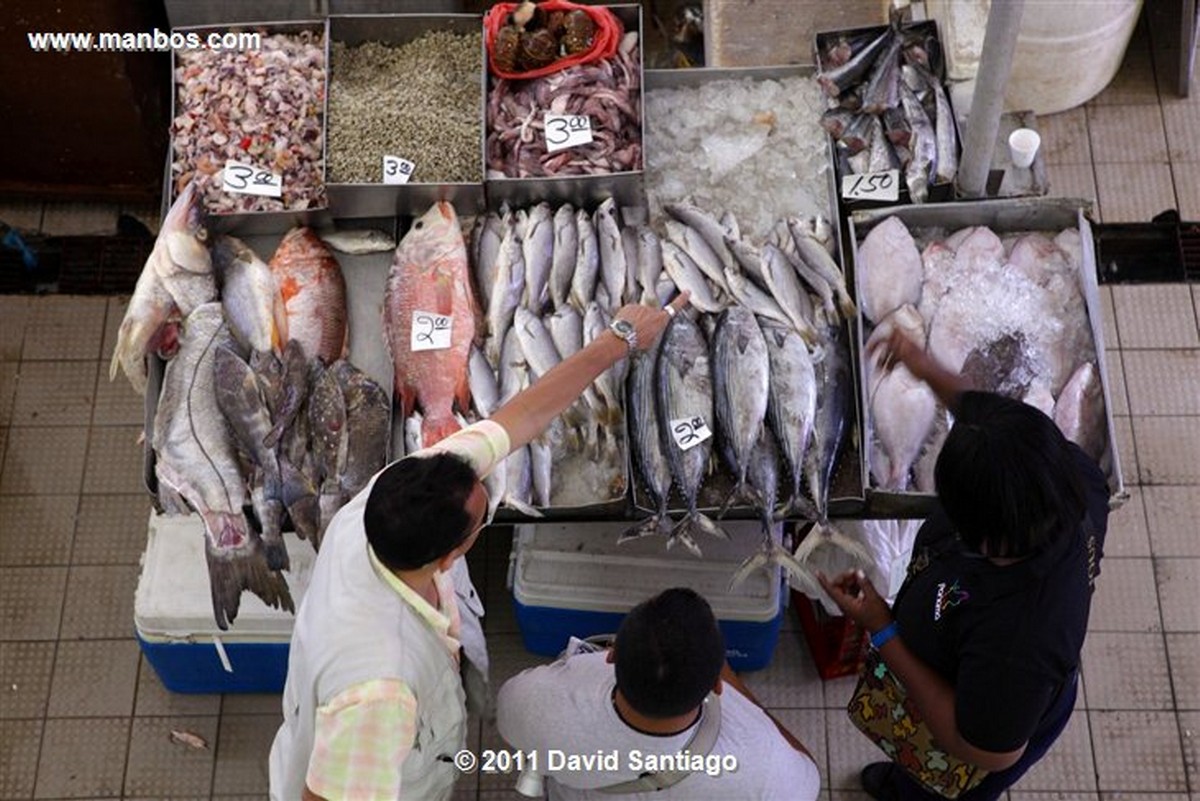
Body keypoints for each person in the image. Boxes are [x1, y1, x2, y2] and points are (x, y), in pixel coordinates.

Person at [268, 293, 691, 801]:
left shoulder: (390, 497)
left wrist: (619, 339)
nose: (486, 491)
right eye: (480, 519)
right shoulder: (381, 688)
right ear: (449, 556)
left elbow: (524, 415)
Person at [818, 329, 1111, 801]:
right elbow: (986, 418)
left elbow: (982, 749)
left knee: (929, 790)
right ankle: (899, 781)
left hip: (976, 727)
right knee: (905, 770)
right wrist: (924, 365)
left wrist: (882, 629)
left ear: (986, 536)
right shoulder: (1060, 474)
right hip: (953, 646)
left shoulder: (1022, 639)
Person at [496, 587, 821, 800]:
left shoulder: (537, 702)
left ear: (612, 653)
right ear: (718, 685)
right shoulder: (765, 762)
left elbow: (509, 712)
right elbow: (808, 778)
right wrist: (738, 689)